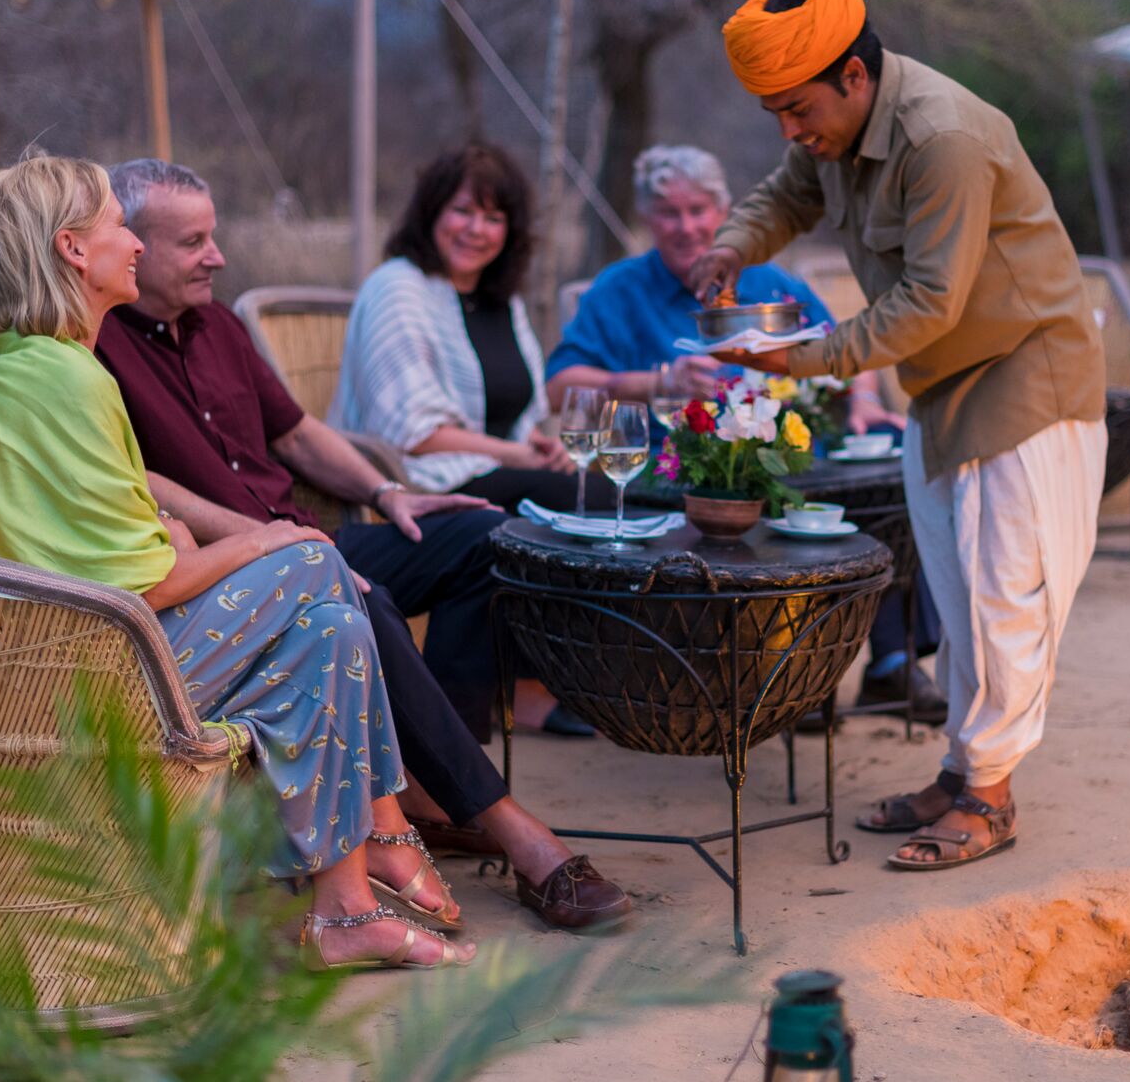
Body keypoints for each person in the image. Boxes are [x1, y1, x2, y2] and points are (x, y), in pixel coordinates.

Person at [0, 151, 472, 970]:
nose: (129, 241)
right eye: (118, 226)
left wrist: (190, 534)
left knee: (333, 624)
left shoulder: (36, 365)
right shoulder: (59, 378)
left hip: (87, 647)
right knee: (316, 562)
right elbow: (143, 583)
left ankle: (346, 912)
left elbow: (116, 533)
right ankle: (384, 829)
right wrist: (263, 538)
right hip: (89, 675)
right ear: (73, 250)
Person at [91, 158, 632, 931]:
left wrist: (388, 493)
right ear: (134, 248)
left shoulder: (219, 324)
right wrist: (272, 544)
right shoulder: (98, 342)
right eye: (194, 243)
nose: (217, 256)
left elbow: (299, 434)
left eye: (213, 237)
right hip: (225, 578)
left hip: (306, 539)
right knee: (341, 586)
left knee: (483, 533)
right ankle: (520, 836)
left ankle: (443, 793)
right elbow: (138, 481)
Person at [693, 0, 1107, 874]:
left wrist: (795, 358)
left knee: (1007, 598)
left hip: (1025, 376)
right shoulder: (830, 126)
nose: (792, 131)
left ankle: (990, 797)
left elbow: (929, 302)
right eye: (777, 117)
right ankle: (964, 770)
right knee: (960, 598)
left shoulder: (942, 137)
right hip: (942, 386)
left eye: (799, 110)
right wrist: (732, 245)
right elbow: (786, 196)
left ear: (855, 74)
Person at [545, 143, 944, 722]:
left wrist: (859, 400)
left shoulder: (766, 281)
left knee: (891, 473)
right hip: (670, 470)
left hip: (784, 461)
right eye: (668, 212)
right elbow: (562, 387)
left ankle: (890, 663)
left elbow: (847, 348)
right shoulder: (618, 288)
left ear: (726, 211)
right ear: (646, 219)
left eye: (700, 210)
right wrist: (658, 379)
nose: (687, 226)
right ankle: (788, 675)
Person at [330, 144, 613, 513]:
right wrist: (516, 455)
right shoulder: (398, 288)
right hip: (416, 481)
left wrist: (542, 448)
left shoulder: (503, 300)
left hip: (491, 471)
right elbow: (413, 435)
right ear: (431, 213)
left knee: (608, 494)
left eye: (494, 218)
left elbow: (513, 416)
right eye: (462, 211)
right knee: (590, 499)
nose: (476, 230)